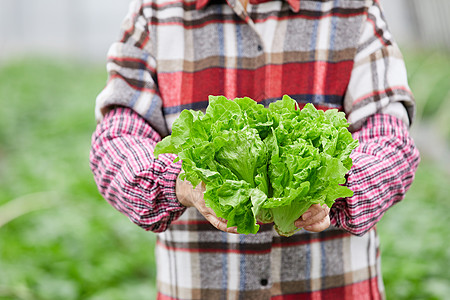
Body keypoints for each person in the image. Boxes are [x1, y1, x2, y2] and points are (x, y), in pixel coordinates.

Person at [89, 0, 420, 298]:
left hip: (334, 288)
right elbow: (116, 140)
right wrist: (181, 180)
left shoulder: (352, 8)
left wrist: (332, 185)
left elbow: (391, 142)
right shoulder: (157, 11)